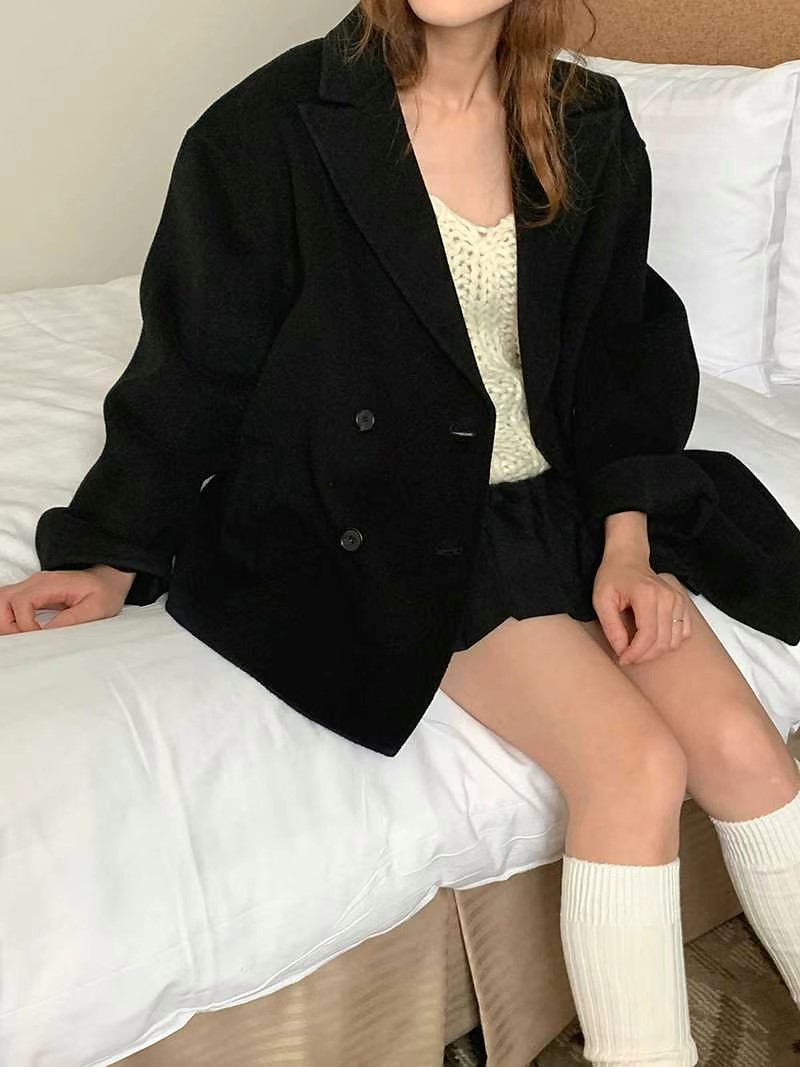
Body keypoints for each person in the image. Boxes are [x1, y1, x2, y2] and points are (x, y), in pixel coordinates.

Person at [4, 2, 800, 1062]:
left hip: (563, 496)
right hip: (388, 509)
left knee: (744, 747)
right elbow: (195, 363)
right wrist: (111, 550)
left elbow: (621, 356)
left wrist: (627, 544)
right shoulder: (269, 125)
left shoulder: (587, 119)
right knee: (634, 764)